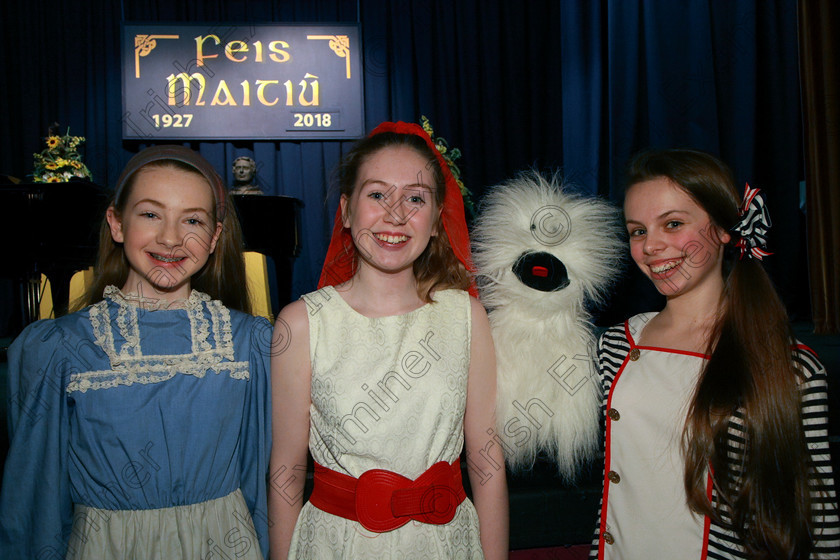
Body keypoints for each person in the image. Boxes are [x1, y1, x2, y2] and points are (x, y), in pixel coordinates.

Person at [0, 145, 272, 559]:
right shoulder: (59, 348)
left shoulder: (250, 343)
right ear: (116, 223)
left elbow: (260, 481)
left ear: (215, 237)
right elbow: (36, 497)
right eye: (150, 214)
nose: (171, 238)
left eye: (193, 220)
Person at [268, 121, 509, 559]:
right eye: (377, 194)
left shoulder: (468, 318)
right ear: (346, 211)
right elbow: (286, 470)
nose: (396, 214)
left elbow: (487, 466)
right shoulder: (301, 324)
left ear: (437, 220)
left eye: (415, 199)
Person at [590, 149, 840, 559]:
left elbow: (817, 517)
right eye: (637, 231)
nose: (651, 246)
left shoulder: (789, 365)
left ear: (724, 230)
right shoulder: (615, 345)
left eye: (672, 224)